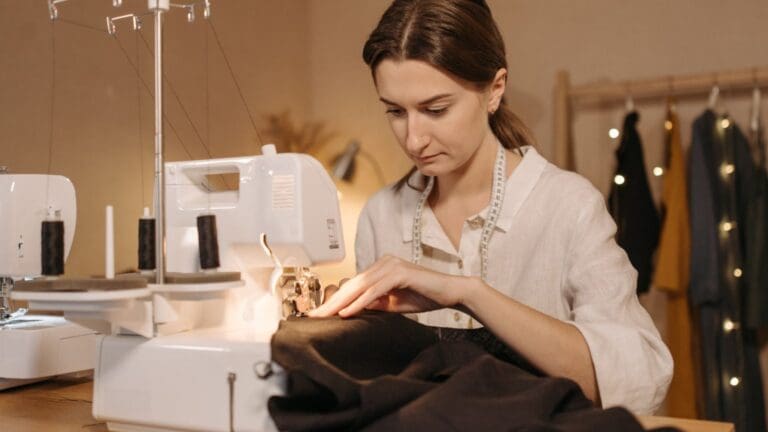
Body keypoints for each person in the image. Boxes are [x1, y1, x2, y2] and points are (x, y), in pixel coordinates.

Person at [310, 0, 672, 415]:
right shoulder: (382, 215)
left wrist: (467, 293)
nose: (413, 139)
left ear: (494, 90)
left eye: (435, 110)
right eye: (395, 111)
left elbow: (639, 378)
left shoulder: (568, 206)